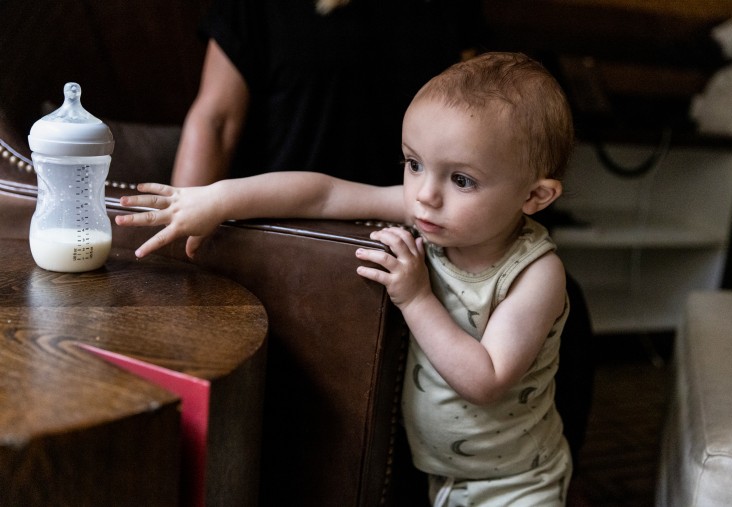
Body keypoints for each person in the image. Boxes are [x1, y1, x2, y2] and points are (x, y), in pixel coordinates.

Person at [117, 51, 575, 506]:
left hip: (518, 485)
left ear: (535, 195)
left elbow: (487, 379)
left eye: (462, 180)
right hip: (442, 478)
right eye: (413, 164)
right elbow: (324, 194)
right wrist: (218, 199)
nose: (425, 195)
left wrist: (416, 298)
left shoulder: (536, 273)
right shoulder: (430, 211)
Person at [171, 0, 484, 188]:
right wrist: (178, 240)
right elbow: (216, 121)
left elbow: (469, 118)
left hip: (405, 226)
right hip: (278, 228)